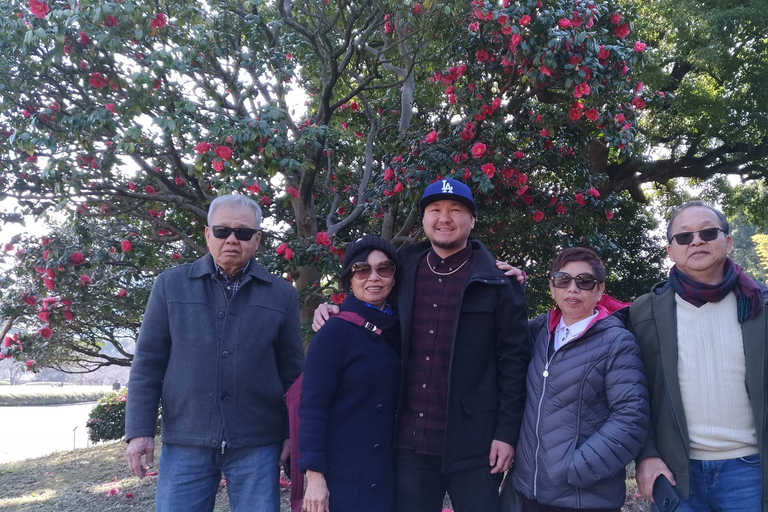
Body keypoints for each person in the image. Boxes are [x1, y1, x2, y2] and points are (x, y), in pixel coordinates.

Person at [314, 178, 530, 512]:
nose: (445, 218)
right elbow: (372, 298)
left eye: (456, 210)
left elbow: (514, 363)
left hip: (476, 442)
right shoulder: (404, 269)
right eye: (435, 210)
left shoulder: (499, 283)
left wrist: (506, 433)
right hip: (409, 442)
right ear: (424, 219)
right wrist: (334, 308)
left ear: (471, 220)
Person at [125, 194, 304, 512]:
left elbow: (292, 371)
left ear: (257, 239)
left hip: (258, 441)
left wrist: (293, 433)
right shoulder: (171, 286)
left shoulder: (282, 294)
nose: (232, 239)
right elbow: (148, 362)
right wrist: (139, 431)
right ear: (207, 234)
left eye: (243, 233)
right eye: (222, 231)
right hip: (186, 438)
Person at [628, 201, 767, 511]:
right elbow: (635, 393)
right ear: (671, 250)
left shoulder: (760, 306)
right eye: (684, 237)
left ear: (728, 242)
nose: (697, 241)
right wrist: (647, 453)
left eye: (708, 232)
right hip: (677, 472)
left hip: (750, 471)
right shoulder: (646, 311)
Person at [511, 247, 649, 512]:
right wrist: (512, 287)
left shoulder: (617, 342)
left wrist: (575, 469)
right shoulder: (540, 331)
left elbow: (631, 417)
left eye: (584, 281)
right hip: (530, 493)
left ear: (599, 290)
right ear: (552, 287)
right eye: (563, 280)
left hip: (584, 498)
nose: (572, 288)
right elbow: (499, 339)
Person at [299, 235, 401, 512]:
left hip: (388, 474)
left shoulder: (402, 326)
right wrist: (315, 476)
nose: (374, 278)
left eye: (384, 268)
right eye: (362, 270)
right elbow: (313, 407)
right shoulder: (334, 331)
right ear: (349, 279)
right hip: (344, 476)